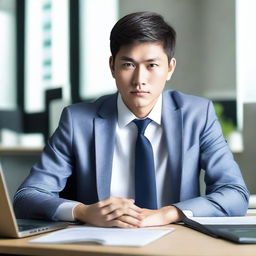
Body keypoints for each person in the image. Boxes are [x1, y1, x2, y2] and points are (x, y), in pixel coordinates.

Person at [14, 11, 249, 228]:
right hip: (100, 243)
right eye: (128, 64)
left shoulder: (197, 115)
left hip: (176, 241)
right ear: (112, 67)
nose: (139, 79)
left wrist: (167, 213)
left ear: (169, 68)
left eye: (152, 65)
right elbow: (27, 196)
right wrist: (83, 212)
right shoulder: (77, 121)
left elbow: (234, 193)